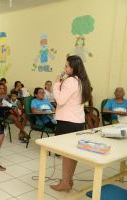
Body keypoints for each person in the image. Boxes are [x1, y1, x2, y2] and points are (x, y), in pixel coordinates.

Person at [50, 55, 92, 192]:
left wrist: (56, 84)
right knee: (72, 154)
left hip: (67, 122)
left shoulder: (70, 81)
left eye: (67, 66)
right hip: (78, 122)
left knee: (66, 155)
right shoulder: (82, 81)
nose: (65, 68)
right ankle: (68, 180)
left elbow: (60, 100)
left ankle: (65, 183)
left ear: (73, 67)